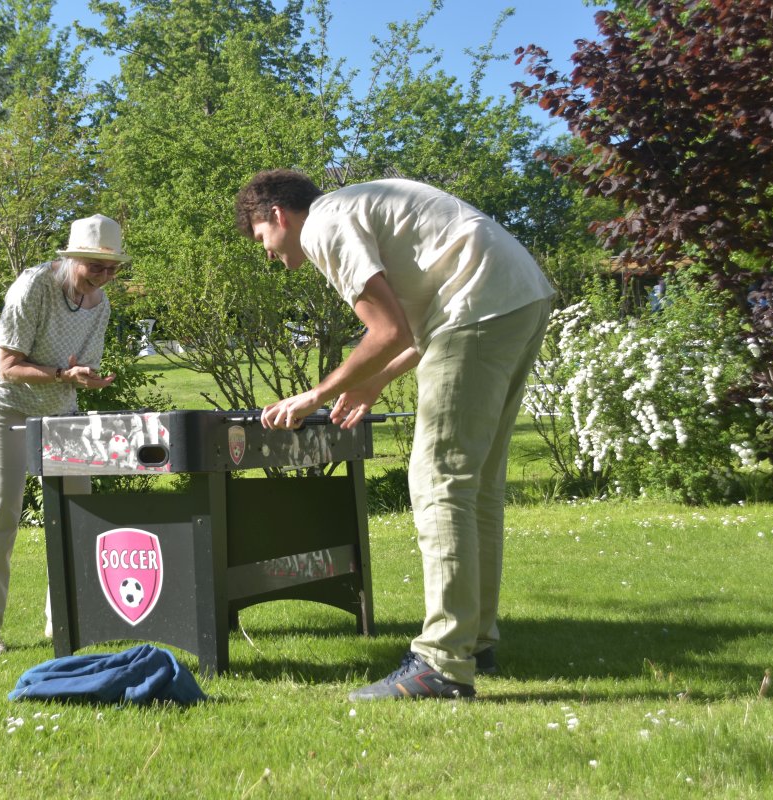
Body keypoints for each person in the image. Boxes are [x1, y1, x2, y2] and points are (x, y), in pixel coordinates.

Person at [234, 170, 553, 700]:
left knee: (439, 482)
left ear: (277, 216)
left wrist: (315, 395)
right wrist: (374, 381)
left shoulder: (324, 225)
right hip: (519, 297)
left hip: (478, 307)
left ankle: (442, 663)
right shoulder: (359, 206)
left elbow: (387, 330)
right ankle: (473, 642)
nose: (268, 254)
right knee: (476, 487)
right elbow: (415, 329)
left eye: (262, 239)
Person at [0, 214, 128, 656]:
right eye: (96, 266)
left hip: (57, 407)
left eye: (112, 268)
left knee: (77, 510)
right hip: (2, 402)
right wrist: (62, 374)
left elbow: (79, 368)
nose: (104, 276)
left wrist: (84, 378)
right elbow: (7, 365)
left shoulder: (101, 304)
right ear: (72, 258)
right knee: (1, 509)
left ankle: (65, 623)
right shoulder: (33, 286)